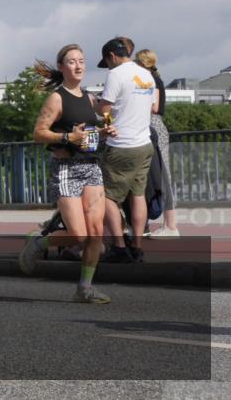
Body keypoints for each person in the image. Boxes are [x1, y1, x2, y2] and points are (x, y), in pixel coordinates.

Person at [18, 44, 113, 304]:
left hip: (91, 167)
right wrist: (68, 137)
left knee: (96, 234)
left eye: (81, 60)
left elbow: (87, 137)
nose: (78, 65)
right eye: (72, 61)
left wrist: (103, 134)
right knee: (79, 235)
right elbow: (39, 133)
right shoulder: (57, 98)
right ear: (62, 67)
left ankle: (84, 289)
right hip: (66, 170)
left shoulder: (90, 99)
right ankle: (39, 243)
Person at [94, 39, 158, 263]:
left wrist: (94, 103)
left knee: (107, 196)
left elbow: (104, 110)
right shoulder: (146, 75)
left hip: (121, 144)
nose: (108, 67)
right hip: (144, 143)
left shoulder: (116, 74)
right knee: (137, 195)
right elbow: (152, 107)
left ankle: (119, 247)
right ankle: (137, 247)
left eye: (107, 62)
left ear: (112, 56)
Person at [135, 49, 179, 238]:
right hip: (151, 126)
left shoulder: (151, 80)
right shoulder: (153, 78)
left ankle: (170, 225)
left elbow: (154, 106)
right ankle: (163, 224)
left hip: (153, 125)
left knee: (163, 175)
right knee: (156, 175)